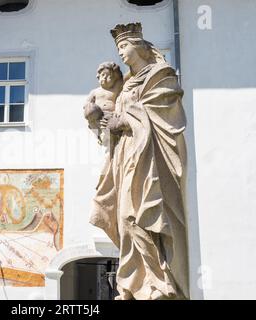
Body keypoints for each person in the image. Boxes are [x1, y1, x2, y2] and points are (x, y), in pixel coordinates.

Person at [87, 23, 189, 300]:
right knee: (125, 221)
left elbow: (165, 114)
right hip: (125, 158)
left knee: (143, 216)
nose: (121, 52)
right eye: (118, 48)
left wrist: (126, 118)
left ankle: (161, 284)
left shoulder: (160, 75)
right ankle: (133, 285)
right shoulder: (126, 85)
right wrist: (103, 123)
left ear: (141, 47)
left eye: (124, 46)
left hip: (151, 159)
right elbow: (113, 127)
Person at [84, 62, 124, 146]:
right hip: (97, 117)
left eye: (109, 76)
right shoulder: (95, 92)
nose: (105, 78)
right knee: (90, 109)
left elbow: (124, 80)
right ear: (98, 77)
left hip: (110, 117)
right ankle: (99, 135)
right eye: (103, 75)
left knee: (109, 140)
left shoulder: (116, 89)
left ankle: (106, 137)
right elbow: (87, 104)